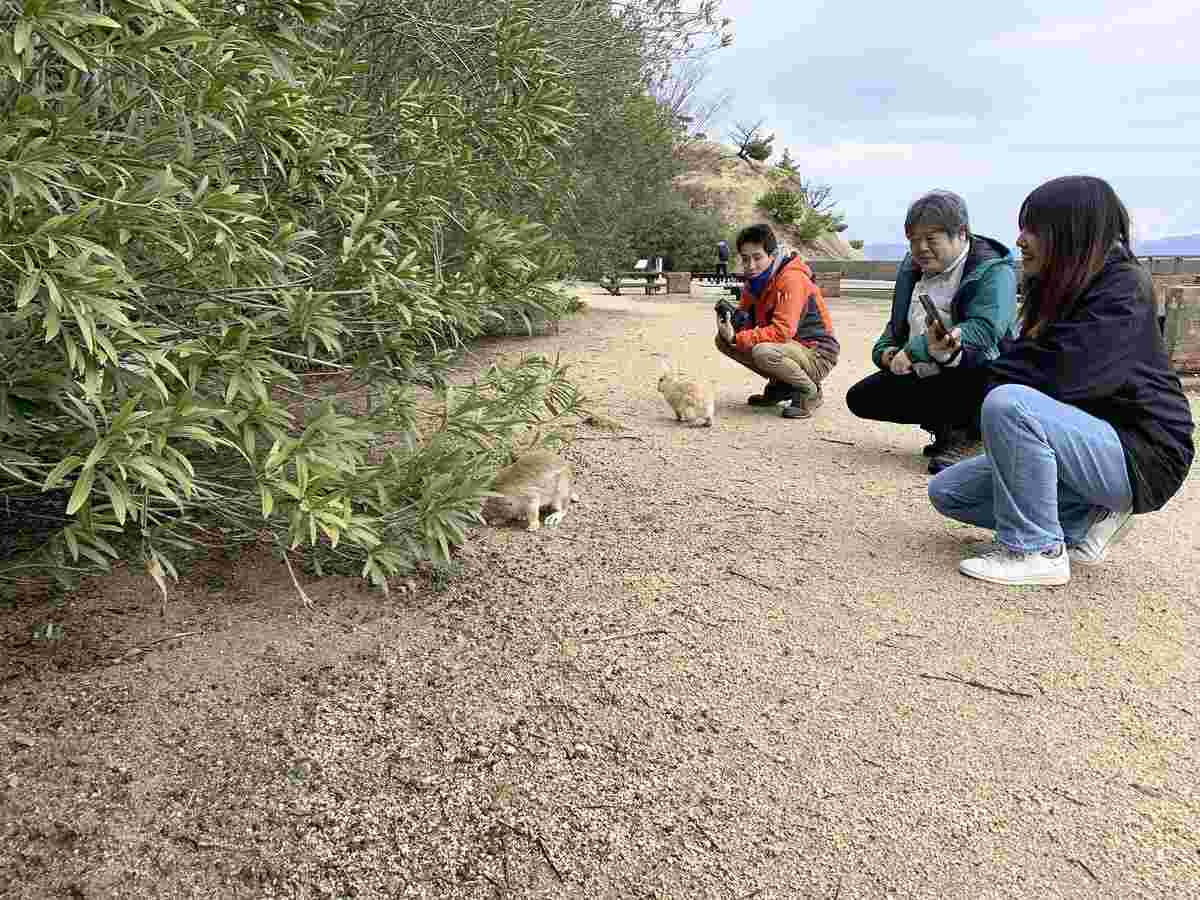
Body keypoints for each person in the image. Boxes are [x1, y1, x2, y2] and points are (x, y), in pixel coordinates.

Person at [928, 175, 1195, 586]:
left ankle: (1034, 549)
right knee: (949, 492)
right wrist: (957, 357)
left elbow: (1061, 376)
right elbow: (1024, 363)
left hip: (1143, 452)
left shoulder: (1122, 287)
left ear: (1071, 230)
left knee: (1010, 403)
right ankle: (1084, 517)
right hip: (1088, 443)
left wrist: (988, 375)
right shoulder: (1061, 288)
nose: (1019, 239)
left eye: (1032, 228)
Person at [845, 191, 1018, 474]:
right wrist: (887, 353)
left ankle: (978, 436)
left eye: (931, 239)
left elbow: (985, 330)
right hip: (930, 369)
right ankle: (948, 428)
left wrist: (915, 350)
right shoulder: (912, 268)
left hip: (982, 370)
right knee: (863, 398)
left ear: (961, 234)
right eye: (914, 240)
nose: (921, 248)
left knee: (969, 363)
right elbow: (896, 326)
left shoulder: (993, 271)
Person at [714, 223, 839, 420]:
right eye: (745, 259)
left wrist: (739, 338)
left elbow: (782, 332)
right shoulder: (753, 283)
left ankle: (809, 391)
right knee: (724, 340)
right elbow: (747, 325)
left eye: (757, 257)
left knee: (763, 350)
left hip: (818, 354)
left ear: (772, 255)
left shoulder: (791, 278)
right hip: (788, 349)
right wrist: (731, 326)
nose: (751, 266)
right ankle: (782, 385)